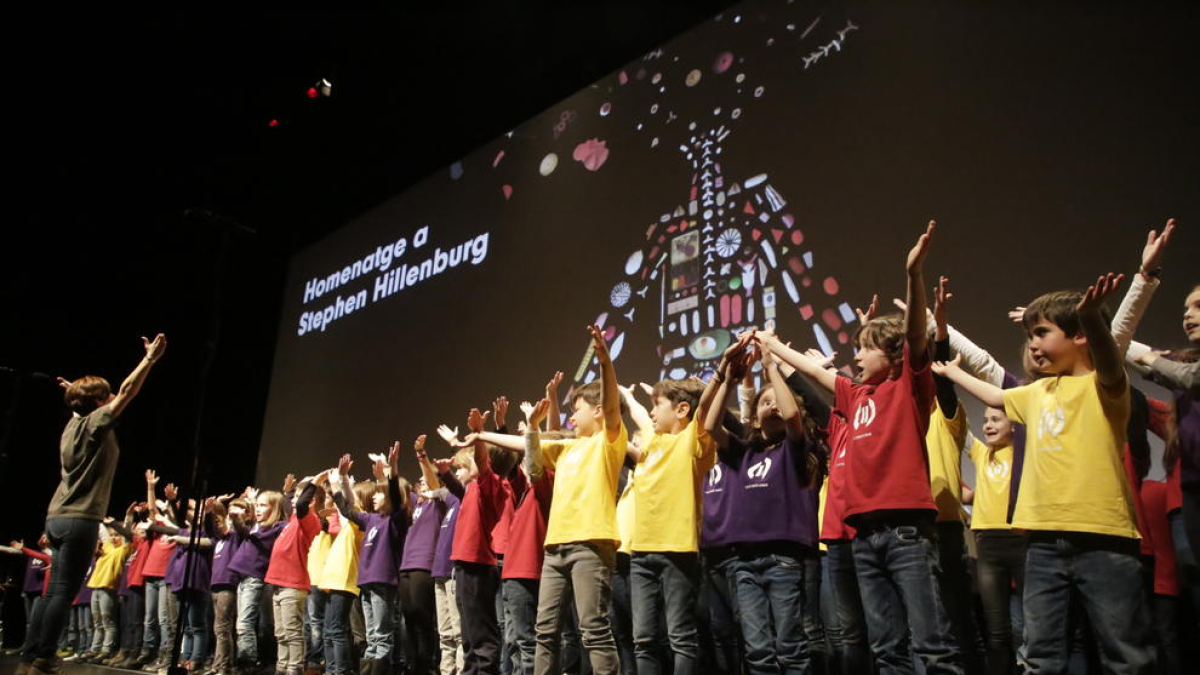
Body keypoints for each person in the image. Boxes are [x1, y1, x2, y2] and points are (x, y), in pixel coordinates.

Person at [937, 272, 1154, 673]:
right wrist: (952, 373)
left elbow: (1109, 355)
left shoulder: (1105, 386)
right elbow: (995, 394)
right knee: (1039, 656)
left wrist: (1092, 316)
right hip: (1041, 542)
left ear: (1080, 337)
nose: (1033, 343)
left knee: (1126, 655)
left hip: (1102, 539)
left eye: (1042, 333)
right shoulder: (1035, 392)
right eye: (1030, 335)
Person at [17, 333, 166, 675]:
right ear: (98, 403)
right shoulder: (97, 422)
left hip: (55, 517)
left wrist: (76, 393)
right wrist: (149, 360)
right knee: (62, 593)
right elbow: (127, 392)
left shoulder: (73, 425)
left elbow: (85, 405)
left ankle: (29, 656)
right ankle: (43, 658)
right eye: (105, 395)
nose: (113, 396)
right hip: (80, 518)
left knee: (50, 592)